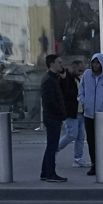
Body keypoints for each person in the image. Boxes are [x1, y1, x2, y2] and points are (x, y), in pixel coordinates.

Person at [78, 53, 103, 177]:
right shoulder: (86, 75)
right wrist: (84, 101)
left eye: (98, 62)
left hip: (102, 115)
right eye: (94, 62)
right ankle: (94, 164)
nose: (95, 65)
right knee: (91, 140)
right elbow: (81, 90)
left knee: (102, 141)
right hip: (89, 114)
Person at [56, 56, 89, 169]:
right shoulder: (66, 78)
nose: (81, 72)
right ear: (73, 67)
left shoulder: (78, 78)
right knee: (72, 134)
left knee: (80, 136)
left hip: (79, 112)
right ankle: (55, 150)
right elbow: (64, 94)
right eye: (80, 70)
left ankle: (78, 158)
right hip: (71, 111)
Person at [39, 54, 67, 182]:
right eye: (59, 62)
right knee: (52, 146)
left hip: (53, 116)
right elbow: (50, 101)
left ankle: (45, 172)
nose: (62, 65)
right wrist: (61, 112)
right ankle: (50, 173)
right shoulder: (49, 80)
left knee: (51, 145)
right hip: (53, 117)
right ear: (52, 64)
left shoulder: (52, 78)